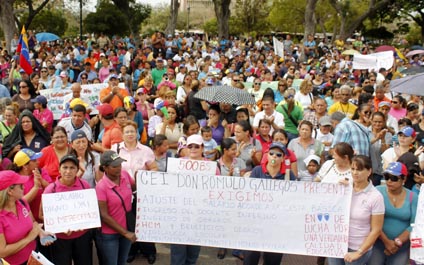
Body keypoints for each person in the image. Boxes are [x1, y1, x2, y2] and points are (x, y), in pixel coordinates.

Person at [170, 134, 220, 265]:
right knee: (177, 255)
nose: (193, 149)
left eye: (196, 146)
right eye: (190, 146)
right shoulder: (178, 164)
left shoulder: (212, 167)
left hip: (200, 216)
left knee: (193, 254)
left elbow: (217, 190)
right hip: (180, 214)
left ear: (202, 147)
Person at [327, 155, 384, 265]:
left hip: (357, 247)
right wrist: (336, 192)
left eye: (360, 169)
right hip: (337, 242)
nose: (355, 173)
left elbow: (376, 230)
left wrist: (359, 252)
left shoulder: (376, 196)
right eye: (353, 169)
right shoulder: (344, 188)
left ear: (369, 171)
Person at [40, 154, 93, 265]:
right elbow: (41, 215)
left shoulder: (85, 186)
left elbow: (91, 212)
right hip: (60, 239)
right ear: (59, 169)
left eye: (72, 168)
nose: (68, 171)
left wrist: (83, 223)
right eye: (65, 167)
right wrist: (60, 226)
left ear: (77, 170)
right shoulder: (51, 190)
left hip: (82, 236)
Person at [243, 142, 291, 265]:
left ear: (283, 158)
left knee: (272, 260)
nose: (274, 156)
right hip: (256, 223)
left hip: (277, 226)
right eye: (271, 153)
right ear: (267, 155)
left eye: (278, 154)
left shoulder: (288, 175)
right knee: (250, 258)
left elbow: (294, 197)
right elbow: (249, 194)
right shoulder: (257, 171)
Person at [369, 162, 418, 265]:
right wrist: (387, 242)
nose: (389, 181)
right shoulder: (378, 192)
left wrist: (396, 243)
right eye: (387, 177)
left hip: (401, 247)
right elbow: (371, 219)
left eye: (394, 178)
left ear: (404, 179)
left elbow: (414, 224)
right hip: (378, 243)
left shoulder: (412, 197)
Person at [0, 170, 53, 265]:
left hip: (34, 257)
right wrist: (29, 238)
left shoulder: (22, 203)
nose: (24, 187)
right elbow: (2, 251)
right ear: (10, 191)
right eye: (20, 186)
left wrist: (41, 233)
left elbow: (33, 222)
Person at [96, 150, 137, 265]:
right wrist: (125, 233)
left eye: (119, 164)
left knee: (122, 262)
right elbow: (104, 216)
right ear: (105, 168)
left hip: (127, 228)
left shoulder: (124, 174)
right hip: (110, 235)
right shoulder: (101, 187)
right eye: (115, 166)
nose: (119, 168)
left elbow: (135, 188)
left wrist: (141, 178)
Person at [369, 111, 392, 186]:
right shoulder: (365, 132)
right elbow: (365, 146)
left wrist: (382, 139)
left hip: (380, 170)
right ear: (371, 121)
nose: (377, 124)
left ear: (384, 122)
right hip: (368, 169)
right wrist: (376, 138)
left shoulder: (388, 135)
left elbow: (385, 152)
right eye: (375, 121)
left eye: (380, 122)